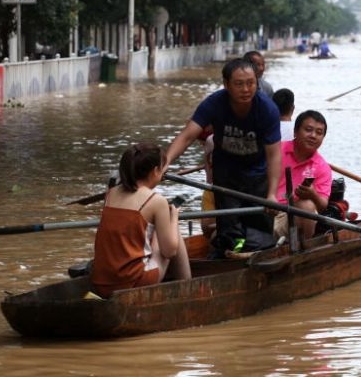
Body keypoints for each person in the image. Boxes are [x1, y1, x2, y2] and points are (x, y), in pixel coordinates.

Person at [165, 57, 282, 256]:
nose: (246, 89)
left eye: (250, 83)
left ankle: (256, 255)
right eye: (239, 84)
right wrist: (165, 162)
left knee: (260, 231)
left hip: (257, 175)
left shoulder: (267, 110)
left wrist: (272, 194)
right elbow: (187, 136)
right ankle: (229, 253)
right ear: (226, 84)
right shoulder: (214, 103)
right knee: (229, 230)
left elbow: (274, 155)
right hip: (226, 174)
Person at [90, 143, 191, 298]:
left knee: (152, 229)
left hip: (101, 283)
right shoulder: (156, 201)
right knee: (171, 227)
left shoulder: (111, 193)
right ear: (156, 171)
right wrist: (174, 216)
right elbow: (170, 251)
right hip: (134, 283)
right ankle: (187, 287)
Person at [274, 110, 332, 240]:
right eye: (308, 130)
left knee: (307, 205)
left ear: (323, 138)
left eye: (319, 133)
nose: (313, 136)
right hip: (264, 208)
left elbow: (322, 206)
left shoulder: (322, 167)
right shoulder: (276, 150)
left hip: (291, 216)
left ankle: (303, 249)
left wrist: (312, 195)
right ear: (295, 132)